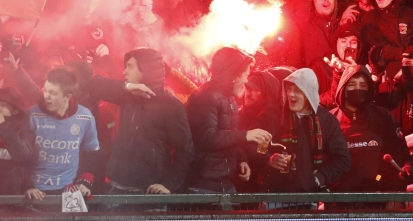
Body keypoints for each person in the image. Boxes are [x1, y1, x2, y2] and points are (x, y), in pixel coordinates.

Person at [90, 48, 194, 195]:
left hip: (149, 193)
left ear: (146, 70)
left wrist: (169, 185)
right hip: (115, 187)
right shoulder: (126, 95)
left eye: (130, 67)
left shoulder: (171, 105)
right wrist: (126, 87)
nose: (124, 72)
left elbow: (185, 150)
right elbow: (93, 85)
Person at [185, 47, 272, 194]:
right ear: (233, 76)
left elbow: (226, 137)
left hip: (224, 183)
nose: (245, 81)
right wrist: (245, 135)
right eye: (245, 75)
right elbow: (207, 138)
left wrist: (240, 159)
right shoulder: (206, 97)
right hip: (202, 186)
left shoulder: (229, 98)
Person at [262, 68, 350, 193]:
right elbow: (254, 148)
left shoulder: (326, 120)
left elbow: (342, 160)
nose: (291, 94)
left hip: (310, 196)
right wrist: (269, 159)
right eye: (289, 89)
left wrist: (319, 178)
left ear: (309, 93)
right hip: (276, 196)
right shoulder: (273, 115)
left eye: (297, 90)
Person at [329, 65, 408, 191]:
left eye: (363, 84)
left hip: (376, 193)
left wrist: (381, 181)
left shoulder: (383, 116)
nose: (358, 88)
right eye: (352, 84)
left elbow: (399, 153)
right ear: (343, 87)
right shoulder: (330, 119)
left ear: (369, 88)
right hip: (340, 197)